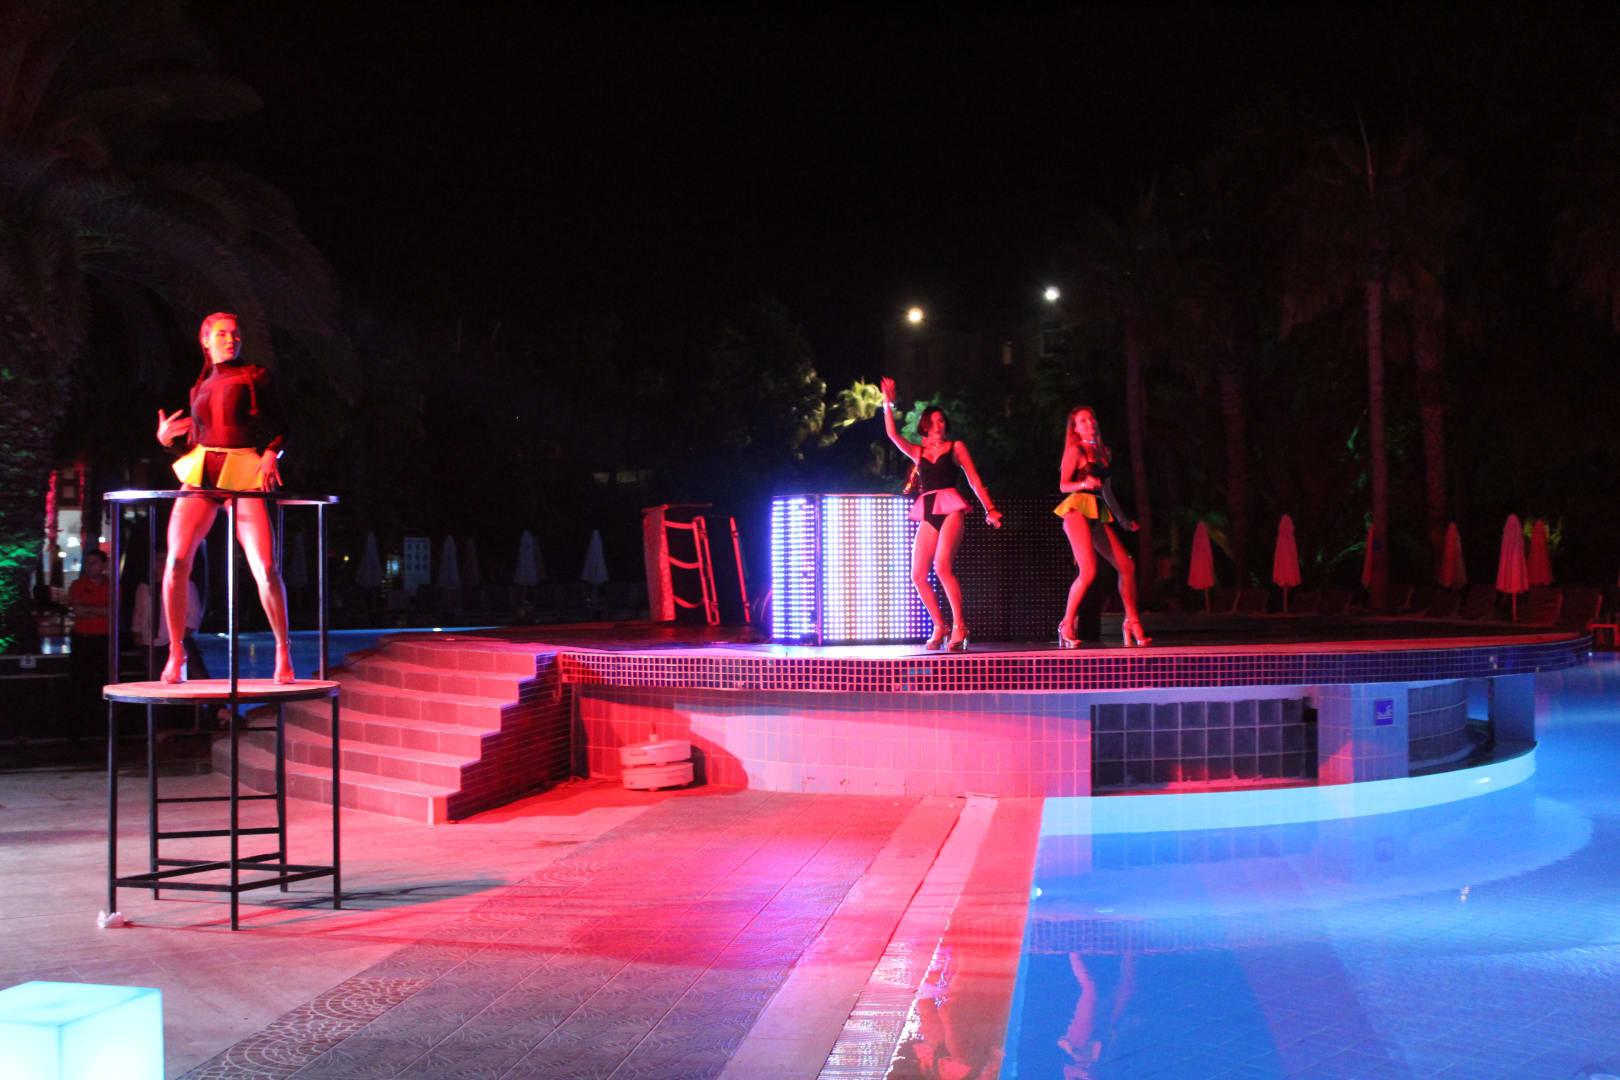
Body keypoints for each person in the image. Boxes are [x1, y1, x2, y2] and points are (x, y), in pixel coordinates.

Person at [155, 312, 295, 682]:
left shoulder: (254, 375)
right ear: (205, 340)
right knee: (175, 561)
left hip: (243, 469)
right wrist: (166, 440)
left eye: (235, 334)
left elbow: (282, 425)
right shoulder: (199, 385)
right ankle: (176, 651)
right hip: (202, 473)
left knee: (265, 567)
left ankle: (283, 649)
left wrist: (271, 453)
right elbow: (196, 441)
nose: (231, 340)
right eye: (222, 334)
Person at [879, 377, 1003, 650]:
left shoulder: (956, 447)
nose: (938, 425)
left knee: (942, 566)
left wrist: (990, 509)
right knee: (917, 574)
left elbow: (973, 479)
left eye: (942, 421)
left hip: (951, 509)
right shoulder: (919, 451)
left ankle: (960, 625)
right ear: (925, 426)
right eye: (933, 422)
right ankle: (939, 624)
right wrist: (888, 402)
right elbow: (892, 435)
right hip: (928, 510)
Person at [1053, 405, 1151, 647]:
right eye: (1083, 421)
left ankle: (1131, 621)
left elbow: (1107, 492)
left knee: (1127, 566)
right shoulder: (1075, 450)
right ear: (1074, 429)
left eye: (1091, 419)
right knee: (1088, 571)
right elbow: (1063, 485)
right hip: (1076, 510)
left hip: (1097, 511)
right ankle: (1066, 623)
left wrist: (1123, 520)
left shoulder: (1104, 452)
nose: (1089, 423)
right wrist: (1083, 484)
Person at [67, 548, 111, 735]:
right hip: (82, 640)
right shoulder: (77, 585)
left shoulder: (113, 586)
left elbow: (113, 611)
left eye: (94, 562)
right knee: (80, 684)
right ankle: (78, 731)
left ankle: (103, 729)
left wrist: (89, 609)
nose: (89, 566)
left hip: (104, 640)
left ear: (103, 565)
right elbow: (78, 611)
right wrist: (102, 610)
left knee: (104, 682)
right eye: (87, 562)